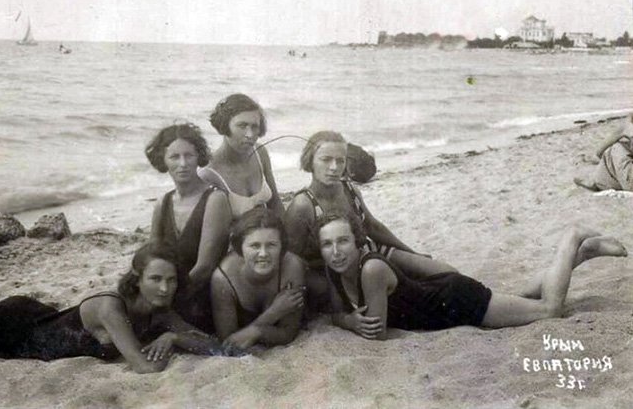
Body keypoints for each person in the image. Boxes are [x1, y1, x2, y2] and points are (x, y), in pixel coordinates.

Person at [317, 212, 627, 339]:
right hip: (443, 297)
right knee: (521, 299)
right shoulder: (336, 270)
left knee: (550, 309)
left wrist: (348, 322)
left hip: (457, 303)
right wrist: (344, 319)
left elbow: (377, 333)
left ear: (358, 242)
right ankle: (580, 254)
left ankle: (571, 238)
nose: (336, 251)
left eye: (343, 241)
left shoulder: (370, 269)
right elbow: (336, 314)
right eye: (327, 244)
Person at [0, 242, 227, 372]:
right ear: (137, 278)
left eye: (171, 280)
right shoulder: (110, 308)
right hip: (13, 329)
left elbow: (213, 346)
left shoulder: (162, 312)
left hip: (43, 319)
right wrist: (171, 342)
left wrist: (173, 337)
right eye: (155, 279)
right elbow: (143, 367)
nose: (164, 288)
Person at [284, 131, 456, 310]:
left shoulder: (349, 189)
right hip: (336, 270)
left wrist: (411, 252)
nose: (334, 167)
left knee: (444, 271)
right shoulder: (303, 205)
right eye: (326, 159)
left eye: (340, 160)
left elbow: (372, 226)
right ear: (310, 161)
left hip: (368, 252)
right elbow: (291, 259)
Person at [145, 123, 231, 334]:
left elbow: (204, 267)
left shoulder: (215, 199)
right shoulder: (162, 203)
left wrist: (164, 300)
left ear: (198, 157)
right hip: (167, 292)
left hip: (200, 297)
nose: (182, 164)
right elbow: (152, 259)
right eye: (174, 157)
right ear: (163, 160)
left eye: (189, 156)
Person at [210, 207, 305, 350]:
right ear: (240, 248)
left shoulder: (292, 266)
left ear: (282, 247)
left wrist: (255, 331)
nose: (263, 253)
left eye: (271, 245)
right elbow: (229, 344)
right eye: (254, 246)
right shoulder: (223, 279)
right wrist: (274, 312)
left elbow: (288, 333)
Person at [199, 93, 284, 219]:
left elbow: (275, 203)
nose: (250, 134)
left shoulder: (260, 153)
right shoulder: (209, 174)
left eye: (255, 127)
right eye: (242, 126)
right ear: (225, 126)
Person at [574, 114, 633, 192]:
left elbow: (599, 152)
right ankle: (598, 183)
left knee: (615, 149)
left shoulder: (628, 127)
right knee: (621, 151)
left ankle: (598, 183)